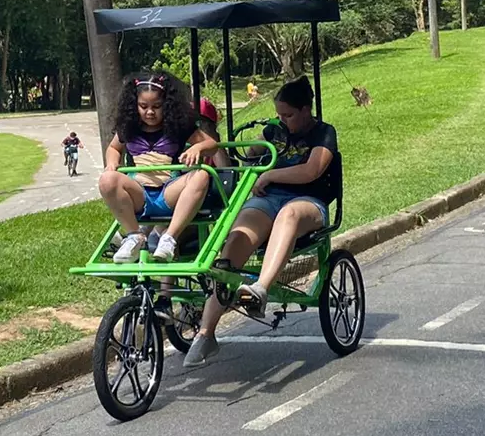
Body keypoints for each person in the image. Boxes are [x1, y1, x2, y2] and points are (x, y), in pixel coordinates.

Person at [184, 75, 338, 368]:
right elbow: (250, 155)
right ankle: (206, 333)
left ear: (306, 110)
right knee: (239, 234)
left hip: (308, 202)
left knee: (288, 215)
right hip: (269, 199)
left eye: (289, 115)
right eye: (280, 114)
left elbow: (312, 171)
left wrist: (270, 174)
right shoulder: (274, 132)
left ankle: (261, 290)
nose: (283, 120)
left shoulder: (324, 133)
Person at [98, 72, 218, 263]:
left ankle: (169, 238)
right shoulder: (129, 127)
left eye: (157, 106)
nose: (150, 112)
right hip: (140, 194)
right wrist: (112, 163)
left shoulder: (178, 126)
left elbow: (212, 145)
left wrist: (198, 147)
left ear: (167, 105)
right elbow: (114, 148)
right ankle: (134, 236)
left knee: (201, 175)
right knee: (107, 180)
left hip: (168, 192)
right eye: (143, 106)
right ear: (135, 105)